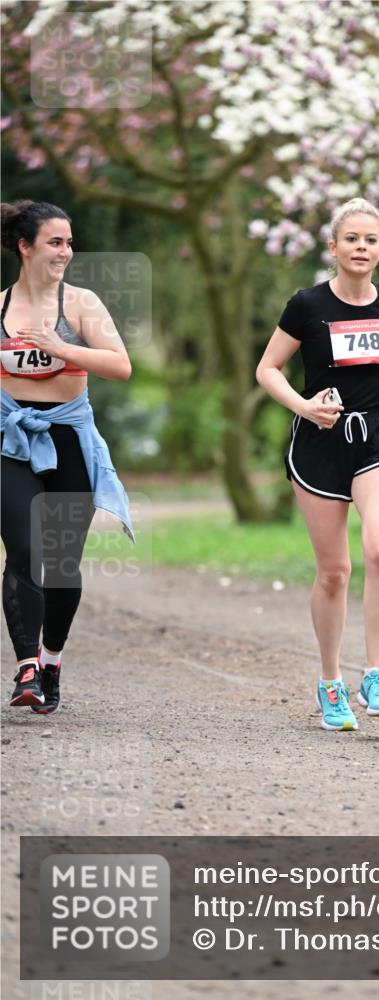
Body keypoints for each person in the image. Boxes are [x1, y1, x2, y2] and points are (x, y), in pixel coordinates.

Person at [256, 198, 379, 731]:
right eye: (351, 239)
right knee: (334, 572)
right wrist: (304, 407)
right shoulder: (307, 306)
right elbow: (268, 369)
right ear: (333, 247)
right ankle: (331, 682)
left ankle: (375, 673)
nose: (361, 247)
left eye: (371, 239)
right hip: (320, 444)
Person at [1, 200, 134, 715]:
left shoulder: (81, 304)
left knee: (60, 565)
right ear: (25, 246)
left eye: (69, 242)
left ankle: (51, 658)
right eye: (55, 242)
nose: (66, 251)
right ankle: (26, 667)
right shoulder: (1, 307)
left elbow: (121, 366)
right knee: (24, 552)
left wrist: (62, 347)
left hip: (68, 439)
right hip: (11, 441)